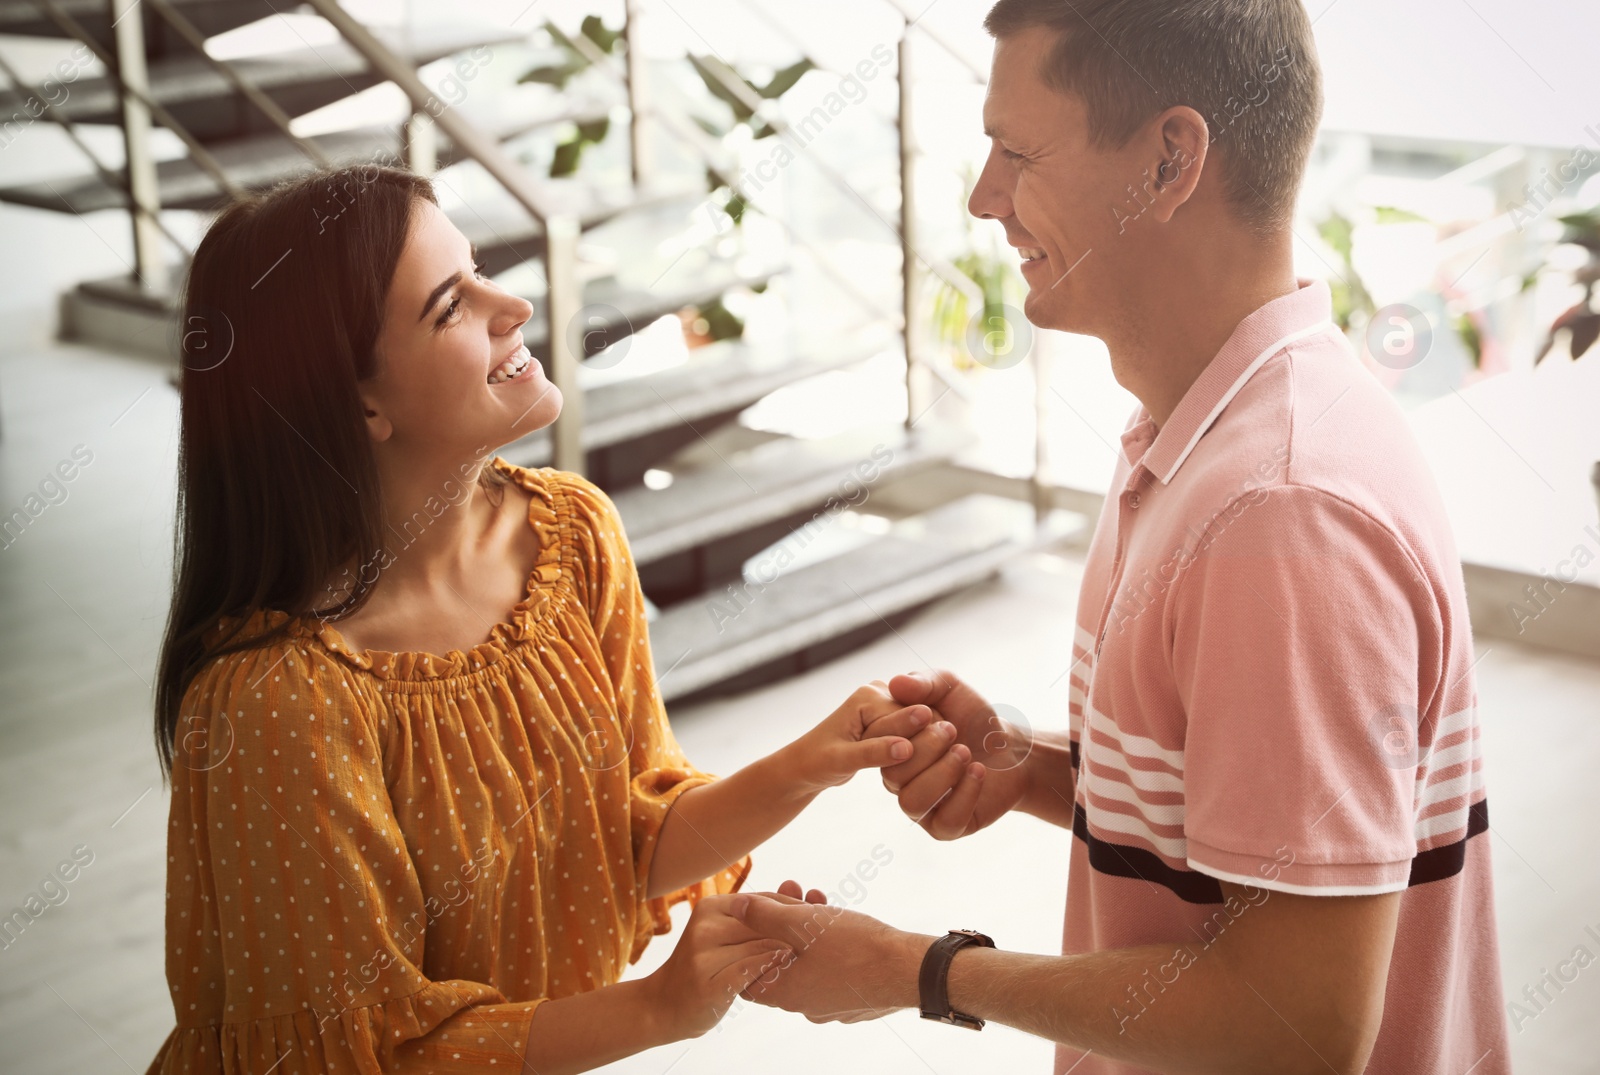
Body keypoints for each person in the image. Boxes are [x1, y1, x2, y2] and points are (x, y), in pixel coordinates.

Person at [733, 1, 1511, 1072]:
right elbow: (1241, 838)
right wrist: (1033, 769)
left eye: (1015, 152)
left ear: (1167, 161)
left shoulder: (1280, 510)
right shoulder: (1200, 430)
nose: (982, 198)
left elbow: (1295, 1024)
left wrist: (913, 968)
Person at [146, 164, 930, 1074]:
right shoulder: (277, 703)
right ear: (358, 401)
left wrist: (812, 763)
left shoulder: (570, 534)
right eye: (451, 305)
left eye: (479, 268)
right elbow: (363, 1053)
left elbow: (622, 841)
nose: (511, 304)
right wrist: (661, 1006)